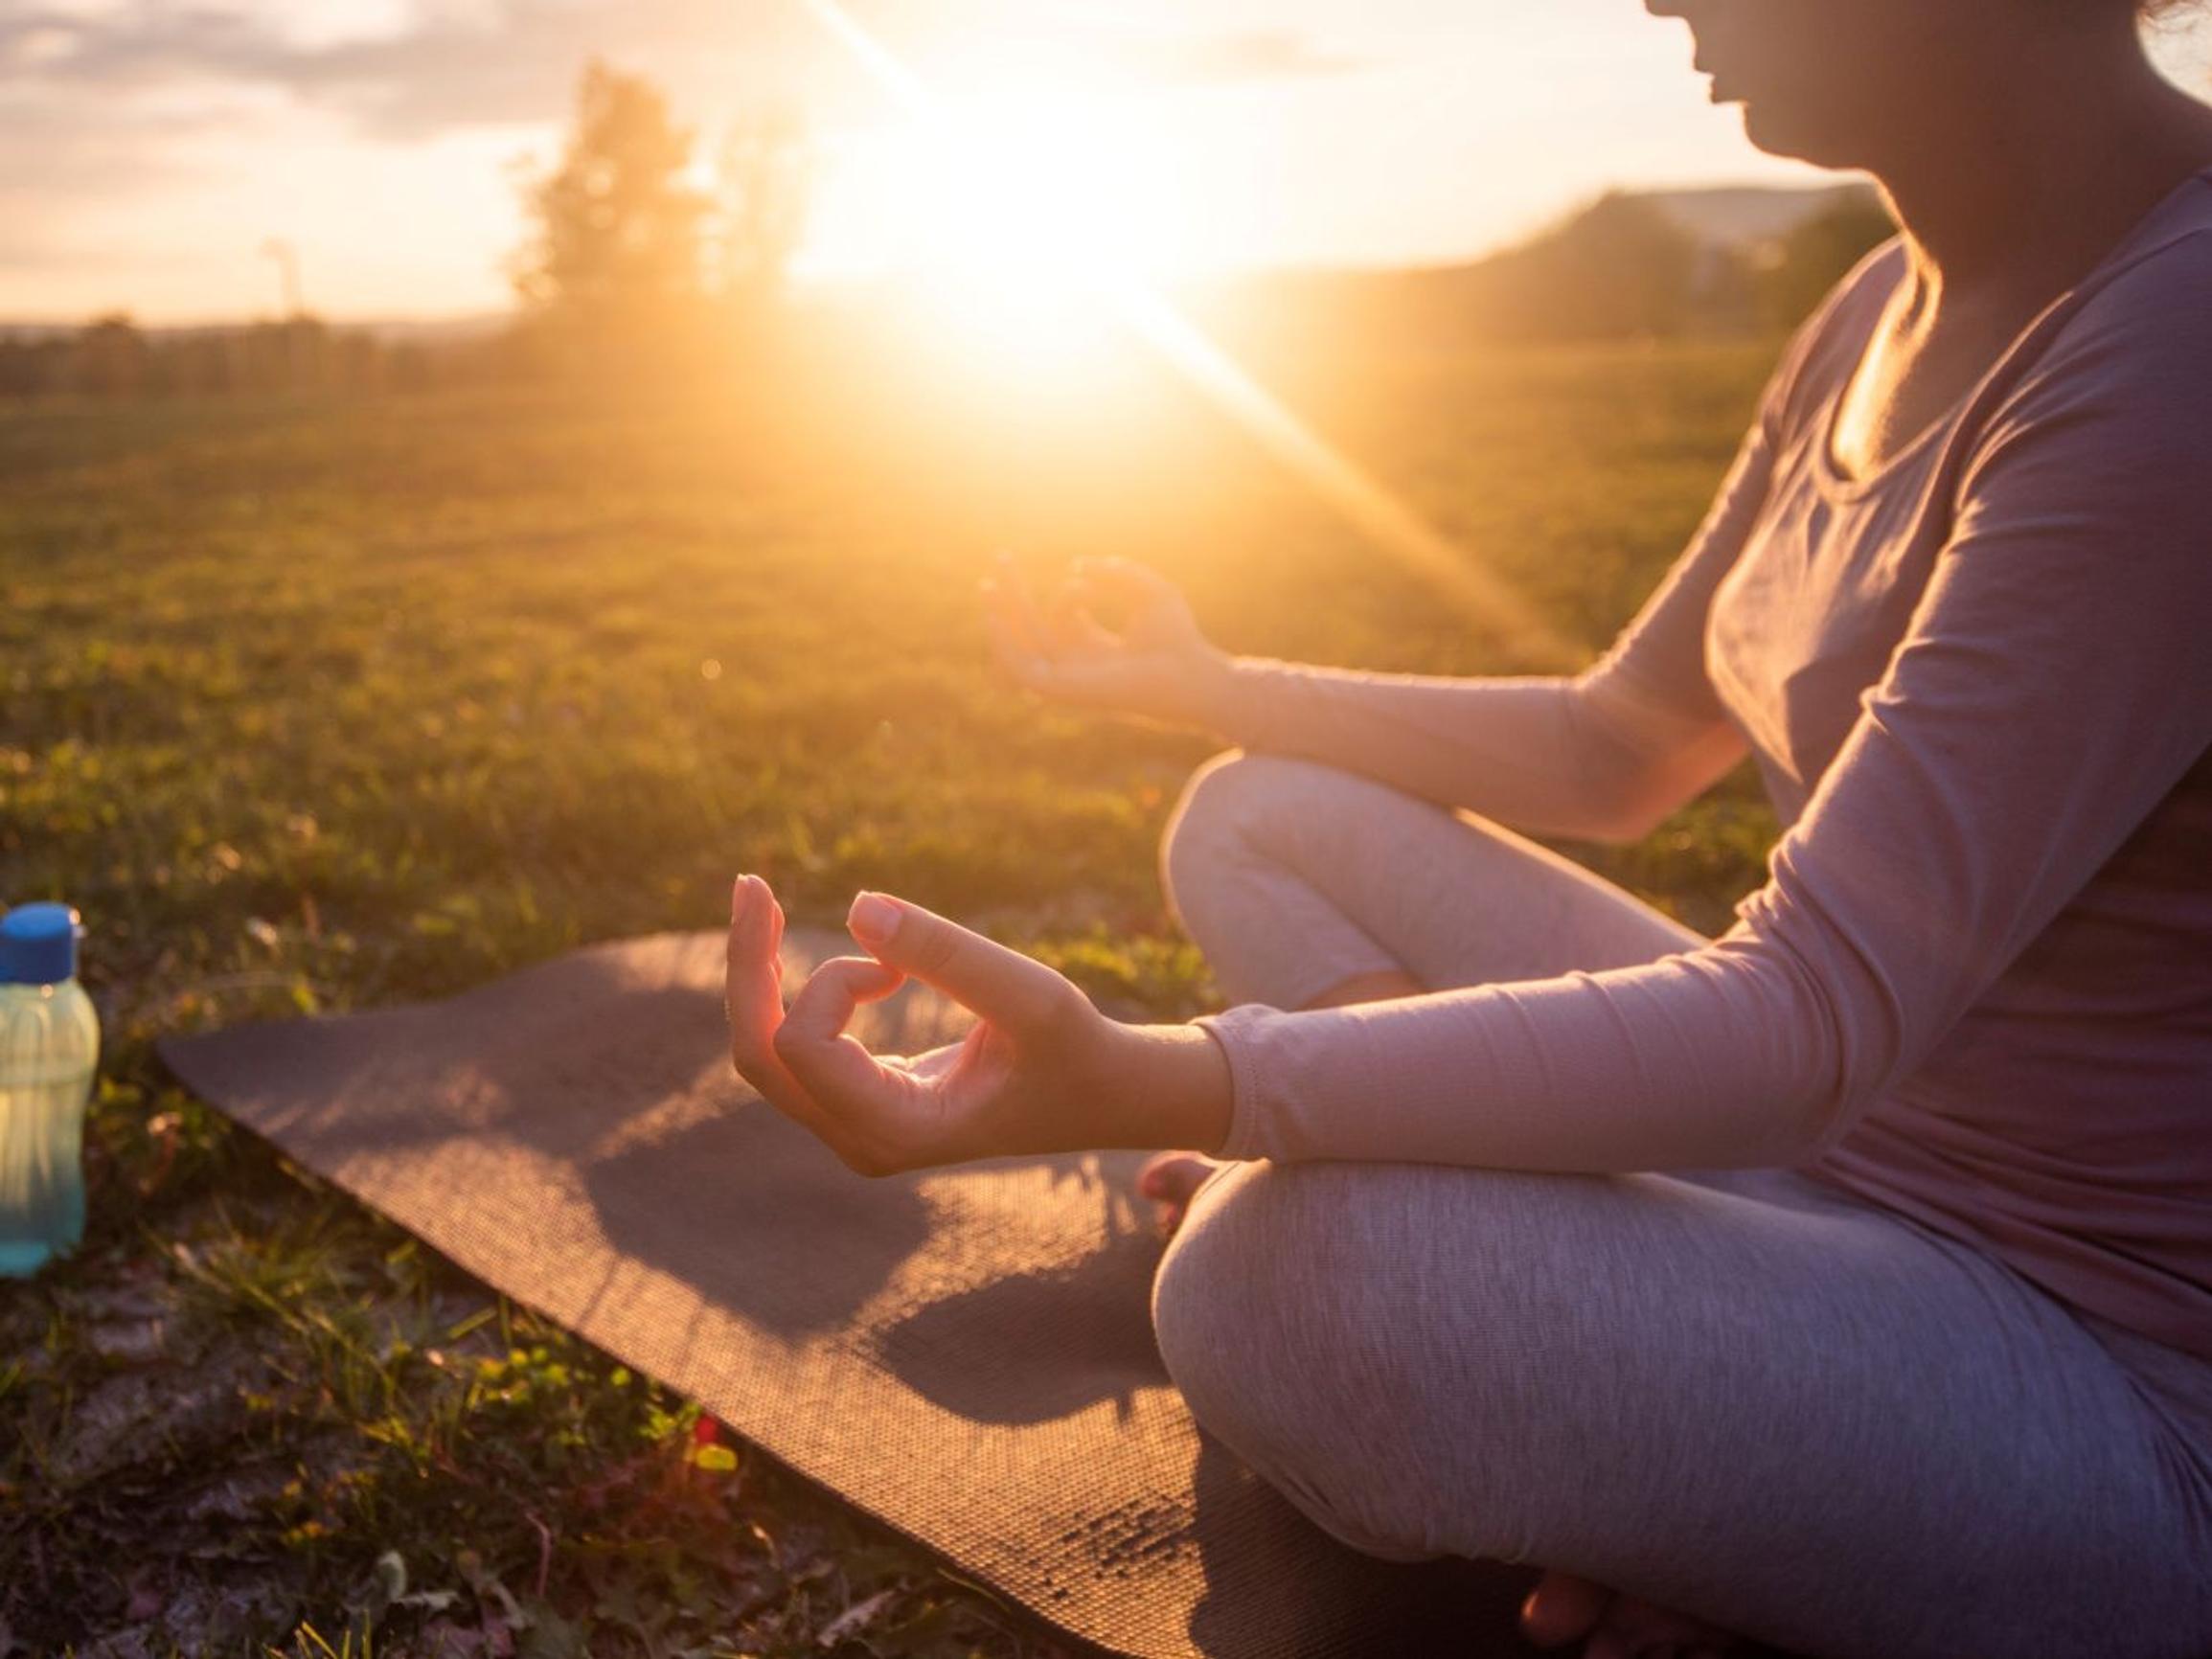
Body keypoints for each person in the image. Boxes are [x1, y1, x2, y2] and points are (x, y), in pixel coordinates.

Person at [724, 1, 2212, 1652]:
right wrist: (1210, 681)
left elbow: (1808, 1018)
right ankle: (1711, 1433)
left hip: (2118, 1372)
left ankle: (1755, 1456)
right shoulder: (1877, 303)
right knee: (1264, 817)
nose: (1656, 1)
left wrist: (1179, 1080)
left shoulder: (2177, 335)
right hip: (1840, 1166)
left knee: (1280, 1286)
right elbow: (1617, 746)